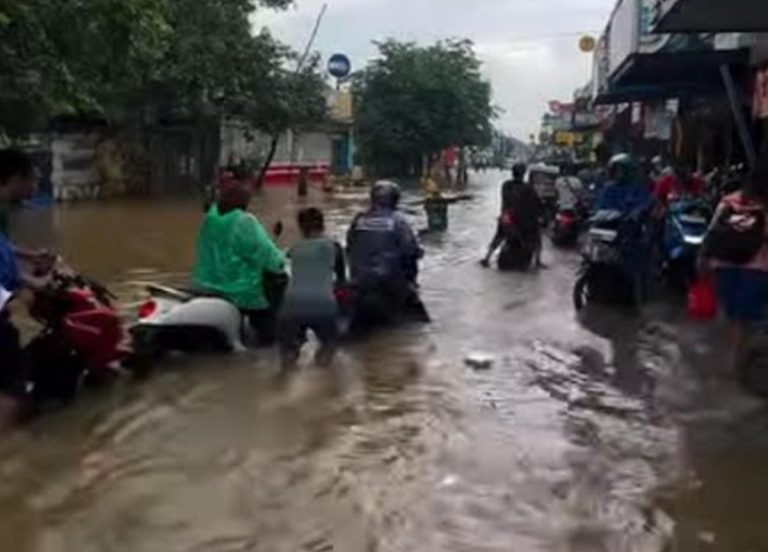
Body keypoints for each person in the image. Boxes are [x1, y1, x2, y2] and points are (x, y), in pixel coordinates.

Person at [192, 177, 286, 345]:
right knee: (270, 331)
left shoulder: (210, 219)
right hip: (243, 291)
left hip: (208, 284)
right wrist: (280, 262)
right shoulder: (244, 221)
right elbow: (267, 255)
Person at [703, 159, 768, 373]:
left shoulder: (728, 201)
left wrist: (703, 258)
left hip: (723, 265)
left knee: (730, 315)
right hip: (756, 269)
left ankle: (731, 359)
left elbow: (712, 233)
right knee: (744, 321)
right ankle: (736, 365)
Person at [278, 208, 346, 370]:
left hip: (291, 305)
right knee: (329, 343)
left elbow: (280, 265)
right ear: (322, 225)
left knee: (289, 352)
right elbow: (342, 281)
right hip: (322, 304)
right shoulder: (334, 247)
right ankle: (320, 378)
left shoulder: (294, 249)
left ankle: (285, 384)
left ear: (301, 227)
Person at [346, 181, 423, 323]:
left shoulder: (358, 220)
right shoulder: (398, 221)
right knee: (419, 325)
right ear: (394, 199)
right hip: (390, 284)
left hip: (359, 282)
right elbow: (410, 251)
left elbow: (350, 246)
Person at [481, 162, 544, 268]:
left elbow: (507, 202)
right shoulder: (528, 188)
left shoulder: (506, 185)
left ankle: (487, 258)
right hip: (522, 221)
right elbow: (536, 205)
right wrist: (540, 216)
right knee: (537, 237)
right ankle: (538, 261)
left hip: (506, 217)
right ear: (524, 174)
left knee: (498, 236)